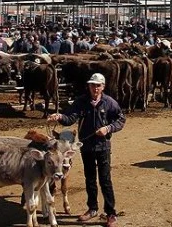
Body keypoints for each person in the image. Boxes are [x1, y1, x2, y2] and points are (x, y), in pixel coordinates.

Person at [47, 73, 125, 227]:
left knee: (105, 180)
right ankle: (92, 209)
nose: (95, 88)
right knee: (90, 179)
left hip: (103, 146)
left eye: (98, 85)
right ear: (88, 86)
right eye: (92, 85)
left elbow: (121, 119)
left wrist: (108, 128)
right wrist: (59, 116)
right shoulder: (81, 102)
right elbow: (70, 118)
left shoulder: (109, 102)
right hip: (87, 146)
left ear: (103, 86)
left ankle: (110, 213)